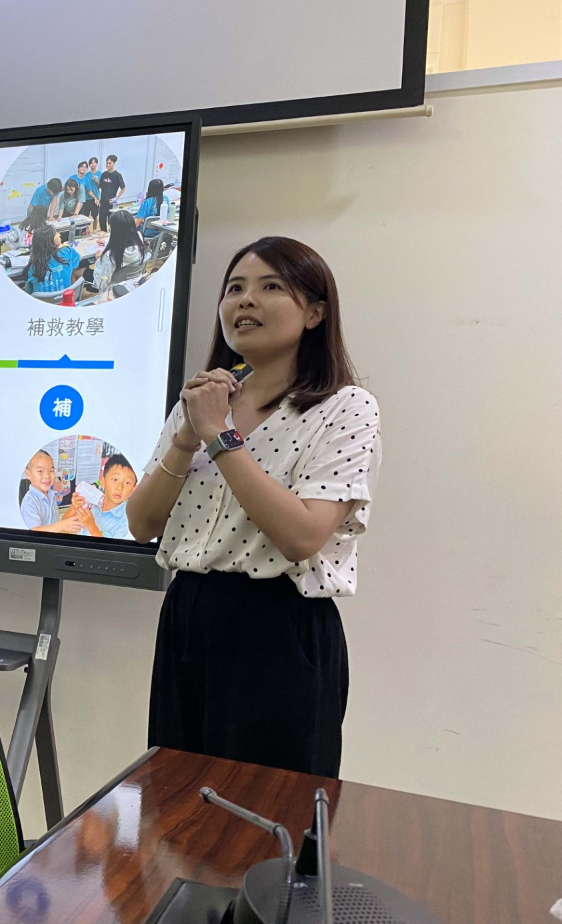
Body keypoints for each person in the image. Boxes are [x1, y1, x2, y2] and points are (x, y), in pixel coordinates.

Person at [126, 237, 381, 778]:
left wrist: (218, 435)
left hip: (278, 627)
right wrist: (188, 435)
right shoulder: (199, 403)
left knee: (266, 810)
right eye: (234, 288)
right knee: (175, 800)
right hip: (187, 614)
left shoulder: (345, 407)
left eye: (271, 287)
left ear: (315, 313)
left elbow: (302, 536)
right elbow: (141, 524)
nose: (245, 300)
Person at [73, 454, 138, 539]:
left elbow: (112, 547)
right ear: (103, 481)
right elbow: (66, 526)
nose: (119, 487)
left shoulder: (127, 521)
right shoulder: (92, 501)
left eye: (127, 483)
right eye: (115, 480)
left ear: (133, 489)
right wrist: (74, 507)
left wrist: (92, 527)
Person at [20, 451, 85, 533]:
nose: (47, 476)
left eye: (51, 470)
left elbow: (57, 525)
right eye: (40, 471)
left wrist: (73, 507)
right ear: (28, 474)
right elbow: (33, 532)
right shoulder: (29, 501)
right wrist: (62, 526)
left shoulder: (51, 494)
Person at [85, 210, 143, 296]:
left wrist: (99, 260)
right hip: (132, 285)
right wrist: (105, 242)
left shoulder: (110, 255)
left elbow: (100, 283)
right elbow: (123, 240)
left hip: (112, 291)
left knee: (77, 271)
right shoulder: (139, 239)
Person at [25, 227, 81, 297]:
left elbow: (29, 291)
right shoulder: (68, 252)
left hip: (42, 302)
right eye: (55, 233)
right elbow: (78, 260)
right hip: (66, 299)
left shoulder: (33, 266)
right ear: (49, 240)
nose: (59, 234)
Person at [97, 154, 125, 232]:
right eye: (107, 163)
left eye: (110, 163)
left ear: (114, 163)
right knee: (102, 220)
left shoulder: (117, 175)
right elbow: (101, 186)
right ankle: (103, 234)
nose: (108, 165)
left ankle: (112, 235)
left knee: (111, 220)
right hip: (103, 201)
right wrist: (96, 181)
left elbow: (123, 188)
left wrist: (116, 198)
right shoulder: (104, 174)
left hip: (111, 202)